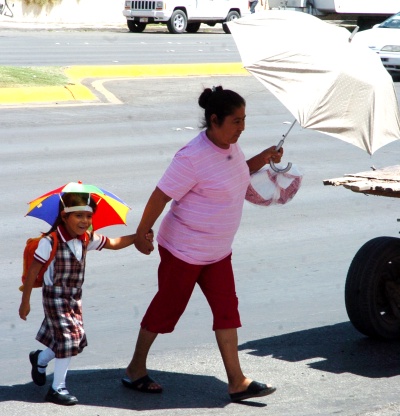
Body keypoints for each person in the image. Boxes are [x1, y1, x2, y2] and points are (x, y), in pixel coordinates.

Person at [122, 86, 283, 402]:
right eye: (236, 121)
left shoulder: (230, 146)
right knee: (167, 309)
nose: (242, 127)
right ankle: (135, 369)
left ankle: (237, 381)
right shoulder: (192, 157)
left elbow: (237, 171)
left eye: (244, 120)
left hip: (217, 252)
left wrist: (264, 157)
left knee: (227, 311)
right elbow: (160, 195)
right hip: (183, 251)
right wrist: (142, 232)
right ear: (214, 120)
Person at [19, 192, 153, 406]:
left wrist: (138, 236)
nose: (85, 221)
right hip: (55, 296)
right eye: (78, 215)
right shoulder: (50, 242)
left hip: (74, 297)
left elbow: (113, 243)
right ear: (64, 216)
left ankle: (40, 359)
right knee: (67, 339)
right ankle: (57, 388)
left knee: (74, 340)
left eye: (89, 216)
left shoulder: (86, 239)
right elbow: (33, 272)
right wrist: (25, 302)